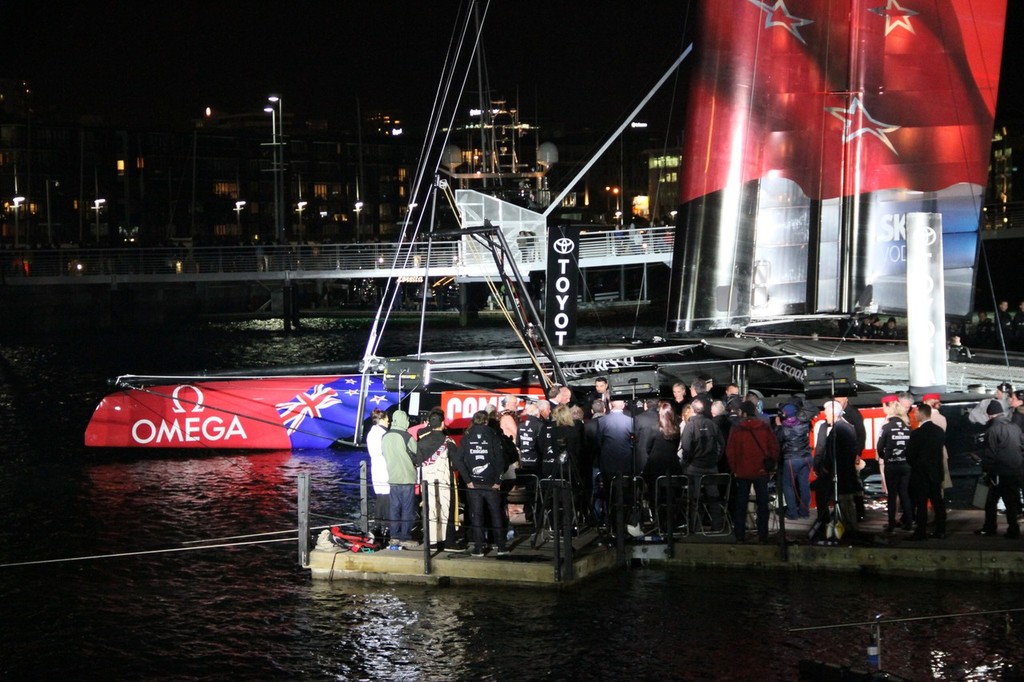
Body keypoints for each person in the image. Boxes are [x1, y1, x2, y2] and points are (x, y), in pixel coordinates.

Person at [455, 410, 509, 556]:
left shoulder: (467, 436)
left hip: (474, 484)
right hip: (491, 483)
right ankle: (501, 547)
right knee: (496, 514)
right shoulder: (493, 435)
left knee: (477, 516)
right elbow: (500, 460)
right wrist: (498, 481)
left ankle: (479, 548)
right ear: (486, 421)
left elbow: (458, 460)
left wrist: (468, 480)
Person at [726, 401, 780, 543]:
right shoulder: (764, 427)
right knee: (763, 504)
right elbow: (774, 447)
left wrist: (734, 469)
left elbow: (731, 452)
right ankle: (763, 535)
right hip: (761, 471)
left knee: (741, 505)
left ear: (743, 413)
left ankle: (740, 535)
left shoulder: (737, 429)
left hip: (742, 472)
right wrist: (770, 465)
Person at [811, 400, 861, 539]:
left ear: (833, 414)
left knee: (839, 500)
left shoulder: (837, 430)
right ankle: (847, 529)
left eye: (827, 414)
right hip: (844, 472)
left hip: (838, 472)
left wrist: (825, 468)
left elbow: (829, 452)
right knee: (844, 501)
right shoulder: (848, 427)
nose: (825, 416)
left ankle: (840, 529)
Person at [976, 401, 1024, 539]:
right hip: (1015, 470)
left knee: (990, 501)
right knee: (1011, 502)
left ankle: (990, 527)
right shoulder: (1014, 427)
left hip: (999, 473)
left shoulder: (992, 430)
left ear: (989, 414)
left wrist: (986, 470)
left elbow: (990, 453)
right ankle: (1013, 528)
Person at [414, 409, 458, 551]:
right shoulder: (448, 441)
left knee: (430, 509)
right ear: (442, 423)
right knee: (445, 509)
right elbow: (456, 464)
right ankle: (446, 540)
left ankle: (431, 541)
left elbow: (418, 462)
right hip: (444, 478)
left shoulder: (421, 443)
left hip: (427, 481)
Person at [679, 398, 726, 531]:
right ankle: (717, 525)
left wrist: (687, 462)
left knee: (695, 498)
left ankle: (695, 526)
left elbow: (686, 448)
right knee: (714, 498)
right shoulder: (712, 424)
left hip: (694, 468)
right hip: (711, 467)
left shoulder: (690, 426)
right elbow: (721, 444)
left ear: (693, 410)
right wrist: (716, 458)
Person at [905, 403, 947, 540]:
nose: (915, 415)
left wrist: (915, 464)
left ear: (922, 414)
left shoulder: (917, 433)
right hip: (935, 471)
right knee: (938, 503)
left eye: (917, 412)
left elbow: (910, 454)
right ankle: (941, 530)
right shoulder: (939, 431)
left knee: (921, 504)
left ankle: (921, 531)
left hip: (920, 473)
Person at [380, 410, 418, 550]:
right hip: (407, 477)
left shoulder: (385, 436)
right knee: (407, 509)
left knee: (394, 508)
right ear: (404, 420)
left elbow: (383, 453)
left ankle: (394, 536)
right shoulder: (406, 436)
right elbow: (417, 454)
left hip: (393, 477)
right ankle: (405, 537)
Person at [876, 398, 913, 532]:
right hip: (906, 464)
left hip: (891, 464)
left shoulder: (886, 427)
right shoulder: (908, 428)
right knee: (904, 493)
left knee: (892, 495)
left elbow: (879, 447)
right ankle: (909, 524)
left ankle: (891, 525)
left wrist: (884, 456)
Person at [775, 402, 812, 520]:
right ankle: (804, 511)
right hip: (806, 457)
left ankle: (792, 512)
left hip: (791, 459)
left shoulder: (784, 428)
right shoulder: (805, 424)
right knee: (804, 485)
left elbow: (778, 440)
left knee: (788, 486)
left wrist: (778, 425)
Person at [365, 408, 391, 539]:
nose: (389, 422)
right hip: (385, 469)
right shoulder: (384, 434)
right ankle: (385, 529)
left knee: (381, 499)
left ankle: (377, 527)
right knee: (386, 501)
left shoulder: (371, 433)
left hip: (376, 469)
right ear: (381, 419)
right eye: (387, 419)